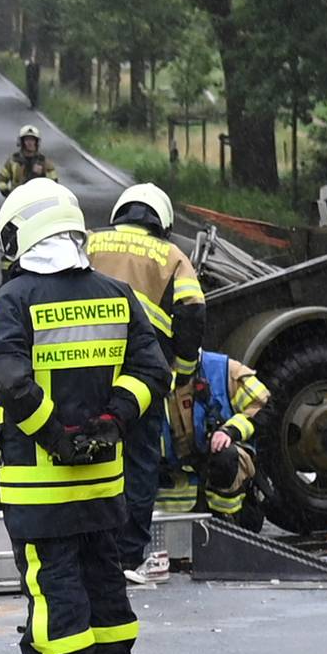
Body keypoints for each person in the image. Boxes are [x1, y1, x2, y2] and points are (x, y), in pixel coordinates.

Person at [0, 180, 169, 654]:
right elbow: (150, 369)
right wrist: (113, 421)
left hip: (40, 486)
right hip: (103, 480)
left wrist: (54, 437)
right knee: (103, 574)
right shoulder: (114, 294)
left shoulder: (15, 300)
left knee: (53, 580)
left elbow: (10, 379)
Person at [88, 183, 205, 584]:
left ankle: (89, 550)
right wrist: (183, 370)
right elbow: (191, 313)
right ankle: (125, 557)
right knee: (139, 463)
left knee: (89, 454)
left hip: (86, 365)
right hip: (142, 372)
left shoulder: (90, 243)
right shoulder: (172, 256)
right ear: (163, 223)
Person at [164, 351, 269, 522]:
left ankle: (228, 522)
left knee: (226, 457)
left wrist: (230, 431)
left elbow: (264, 407)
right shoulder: (147, 374)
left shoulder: (223, 370)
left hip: (218, 477)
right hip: (165, 498)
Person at [0, 125, 58, 272]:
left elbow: (54, 183)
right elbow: (1, 180)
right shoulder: (13, 161)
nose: (30, 143)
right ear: (21, 142)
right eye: (27, 140)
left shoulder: (44, 162)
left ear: (37, 143)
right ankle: (7, 276)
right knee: (11, 240)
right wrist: (9, 194)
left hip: (38, 208)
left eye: (32, 140)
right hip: (17, 208)